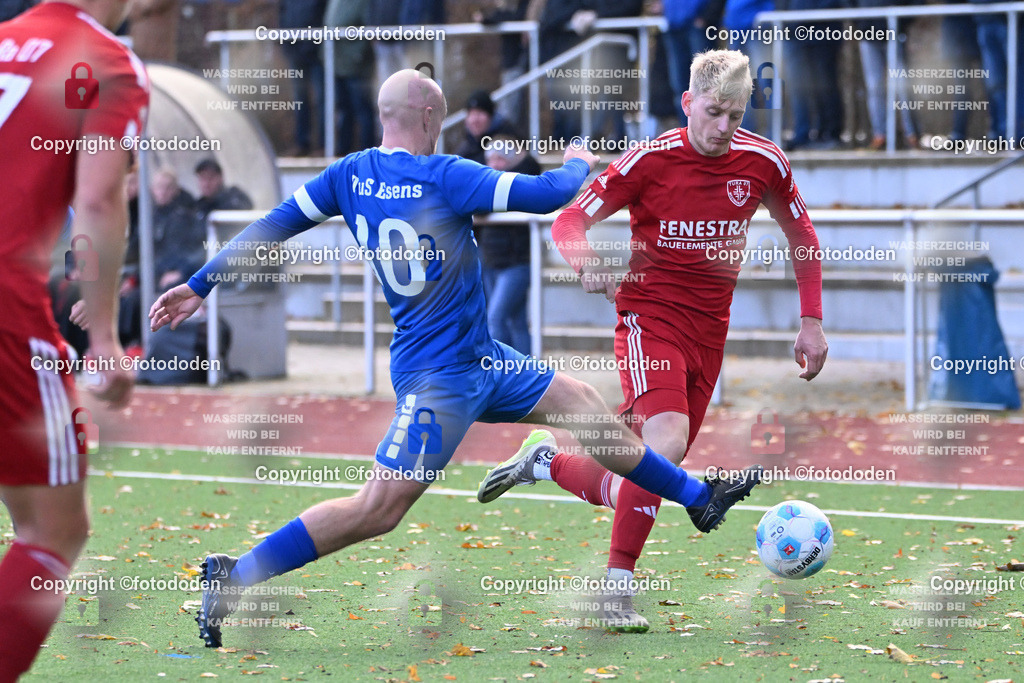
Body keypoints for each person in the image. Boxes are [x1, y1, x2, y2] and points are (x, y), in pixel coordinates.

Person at [148, 68, 763, 648]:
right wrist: (580, 156)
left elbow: (273, 226)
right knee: (378, 509)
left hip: (480, 358)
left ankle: (696, 496)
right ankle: (239, 575)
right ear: (431, 118)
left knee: (583, 406)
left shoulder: (347, 175)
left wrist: (200, 284)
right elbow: (551, 193)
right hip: (439, 379)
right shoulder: (446, 173)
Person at [479, 49, 827, 632]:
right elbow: (570, 220)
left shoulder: (763, 161)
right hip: (649, 319)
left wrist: (812, 319)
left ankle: (546, 464)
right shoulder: (649, 159)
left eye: (735, 115)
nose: (723, 127)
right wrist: (585, 261)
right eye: (713, 111)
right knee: (666, 441)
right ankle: (616, 591)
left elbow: (802, 232)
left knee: (647, 468)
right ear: (688, 102)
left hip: (710, 333)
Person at [0, 0, 147, 678]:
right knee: (56, 529)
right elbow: (96, 200)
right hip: (7, 303)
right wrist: (106, 340)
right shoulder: (107, 60)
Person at [477, 136, 541, 355]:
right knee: (517, 320)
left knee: (496, 317)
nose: (495, 164)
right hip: (491, 260)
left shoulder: (521, 180)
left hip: (516, 262)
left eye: (500, 158)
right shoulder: (487, 182)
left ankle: (502, 371)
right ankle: (525, 373)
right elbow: (478, 207)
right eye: (491, 159)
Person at [279, 0, 327, 156]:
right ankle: (302, 143)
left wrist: (319, 45)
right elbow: (283, 15)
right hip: (295, 52)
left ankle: (323, 145)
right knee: (299, 99)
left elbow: (326, 17)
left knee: (321, 100)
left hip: (317, 53)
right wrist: (286, 44)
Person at [454, 90, 517, 164]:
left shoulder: (508, 142)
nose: (475, 119)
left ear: (491, 116)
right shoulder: (466, 149)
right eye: (471, 114)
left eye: (480, 113)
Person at [193, 157, 253, 226]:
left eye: (210, 178)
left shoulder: (234, 197)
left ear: (220, 178)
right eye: (202, 179)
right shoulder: (198, 206)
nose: (206, 184)